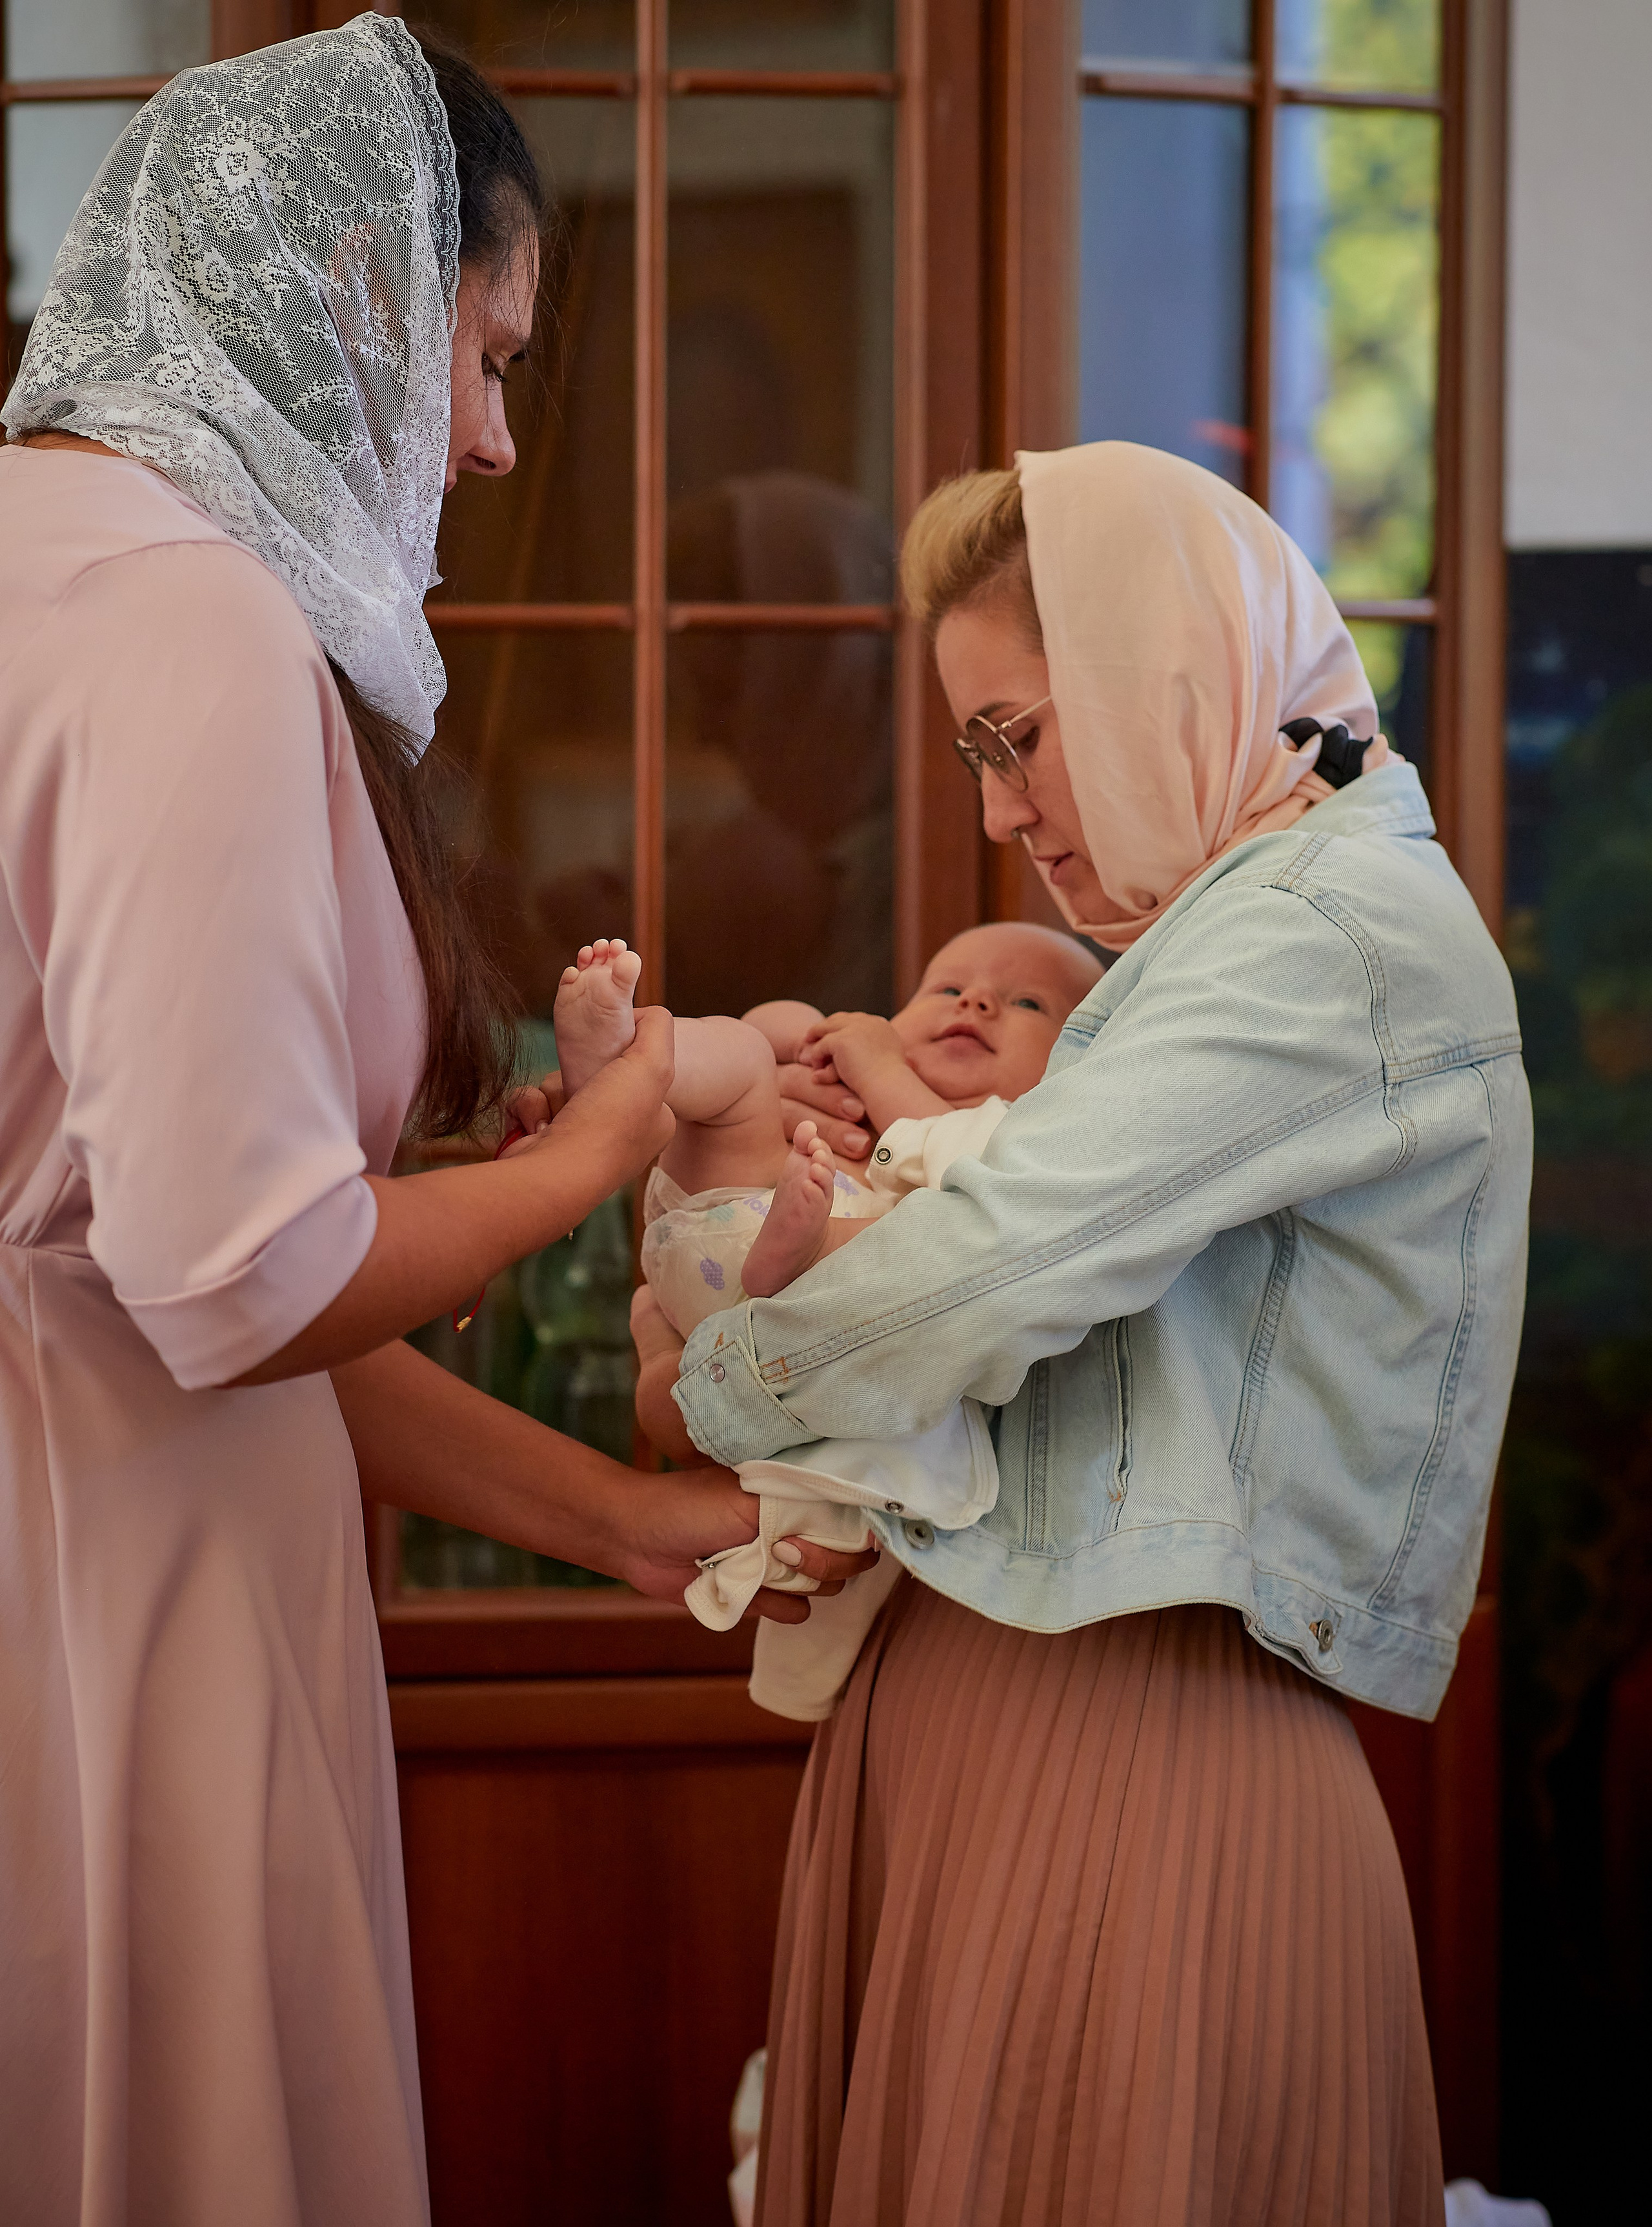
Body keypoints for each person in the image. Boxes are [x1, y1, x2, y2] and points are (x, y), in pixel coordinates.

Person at [0, 21, 867, 2224]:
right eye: (487, 358)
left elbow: (149, 1263)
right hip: (107, 1590)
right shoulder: (184, 614)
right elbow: (237, 1283)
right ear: (354, 292)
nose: (489, 443)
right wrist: (596, 1150)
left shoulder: (40, 552)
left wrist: (621, 1520)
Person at [652, 442, 1533, 2226]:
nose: (997, 812)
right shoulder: (1224, 931)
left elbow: (994, 1265)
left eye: (1015, 737)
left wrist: (717, 1382)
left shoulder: (1321, 936)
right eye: (972, 754)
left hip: (1136, 1765)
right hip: (1033, 1735)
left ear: (1160, 678)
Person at [556, 923, 1102, 1718]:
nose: (976, 1002)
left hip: (771, 1307)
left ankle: (666, 1360)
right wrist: (802, 1041)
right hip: (735, 1223)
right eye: (947, 989)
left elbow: (972, 1178)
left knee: (687, 1407)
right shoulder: (828, 1097)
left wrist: (881, 1069)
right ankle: (632, 1065)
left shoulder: (1025, 1137)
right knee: (749, 1055)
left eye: (1027, 1004)